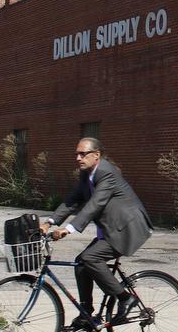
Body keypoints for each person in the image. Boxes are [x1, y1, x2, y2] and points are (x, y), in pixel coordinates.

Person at [41, 138, 154, 329]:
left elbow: (95, 204)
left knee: (90, 258)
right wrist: (48, 222)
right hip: (110, 229)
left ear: (96, 155)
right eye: (76, 154)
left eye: (82, 154)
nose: (78, 158)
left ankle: (125, 298)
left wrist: (68, 229)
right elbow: (72, 200)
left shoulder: (107, 173)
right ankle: (86, 313)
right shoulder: (86, 174)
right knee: (81, 263)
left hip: (127, 229)